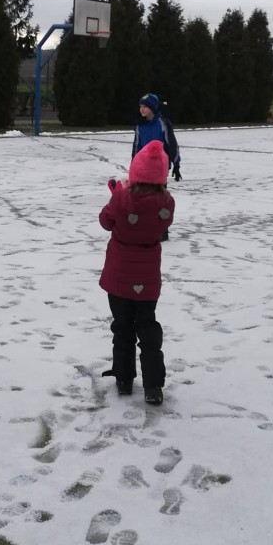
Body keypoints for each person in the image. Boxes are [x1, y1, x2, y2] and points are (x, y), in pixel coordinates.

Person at [99, 141, 175, 405]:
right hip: (148, 278)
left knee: (122, 327)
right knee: (147, 326)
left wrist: (116, 193)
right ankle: (153, 385)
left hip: (119, 276)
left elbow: (106, 220)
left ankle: (124, 378)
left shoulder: (122, 199)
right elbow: (154, 219)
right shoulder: (167, 203)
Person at [133, 93, 180, 239]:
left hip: (159, 167)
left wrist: (176, 163)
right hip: (143, 168)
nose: (141, 109)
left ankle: (162, 229)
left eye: (145, 107)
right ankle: (146, 227)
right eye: (140, 106)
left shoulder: (162, 123)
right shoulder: (140, 125)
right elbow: (136, 147)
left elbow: (172, 144)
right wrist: (134, 165)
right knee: (143, 199)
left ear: (152, 108)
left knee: (159, 199)